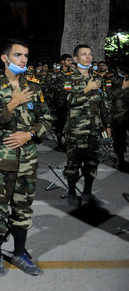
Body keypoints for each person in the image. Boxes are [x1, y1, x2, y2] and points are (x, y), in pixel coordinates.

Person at [0, 39, 51, 276]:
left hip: (27, 159)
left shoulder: (34, 86)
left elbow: (48, 120)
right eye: (18, 55)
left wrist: (29, 134)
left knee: (23, 208)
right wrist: (13, 103)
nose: (23, 60)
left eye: (26, 56)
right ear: (5, 58)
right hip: (1, 160)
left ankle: (20, 253)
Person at [62, 44, 111, 207]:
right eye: (84, 54)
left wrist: (107, 124)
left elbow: (103, 103)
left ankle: (88, 192)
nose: (89, 57)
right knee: (73, 164)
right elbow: (67, 101)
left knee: (92, 162)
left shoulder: (98, 78)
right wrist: (86, 89)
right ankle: (71, 192)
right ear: (75, 59)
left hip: (94, 129)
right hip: (76, 130)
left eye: (90, 54)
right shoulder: (68, 79)